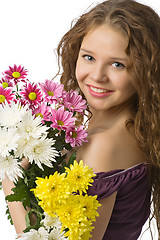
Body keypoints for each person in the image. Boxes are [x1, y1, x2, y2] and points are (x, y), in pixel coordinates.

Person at [2, 0, 160, 239]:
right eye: (88, 58)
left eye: (117, 64)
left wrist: (11, 185)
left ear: (146, 69)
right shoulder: (131, 126)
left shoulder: (102, 144)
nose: (97, 76)